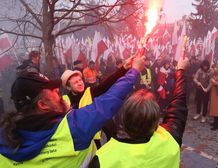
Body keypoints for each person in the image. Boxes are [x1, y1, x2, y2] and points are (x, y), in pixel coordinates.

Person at [0, 56, 145, 168]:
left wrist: (124, 70)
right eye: (52, 90)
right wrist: (134, 71)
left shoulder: (3, 143)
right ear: (42, 104)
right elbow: (111, 99)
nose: (57, 91)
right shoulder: (73, 128)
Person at [89, 57, 189, 168]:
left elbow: (105, 101)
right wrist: (181, 71)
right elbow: (179, 101)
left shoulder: (102, 160)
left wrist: (132, 70)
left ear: (124, 120)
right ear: (156, 123)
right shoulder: (170, 139)